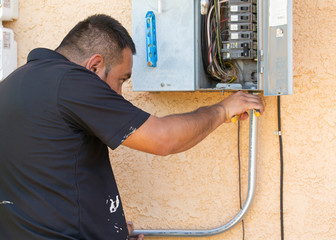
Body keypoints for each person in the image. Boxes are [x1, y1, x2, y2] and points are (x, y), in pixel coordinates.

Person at [0, 14, 264, 240]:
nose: (120, 93)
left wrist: (103, 230)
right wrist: (222, 109)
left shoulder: (12, 85)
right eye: (121, 79)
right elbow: (163, 139)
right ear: (94, 65)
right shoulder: (70, 81)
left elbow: (45, 187)